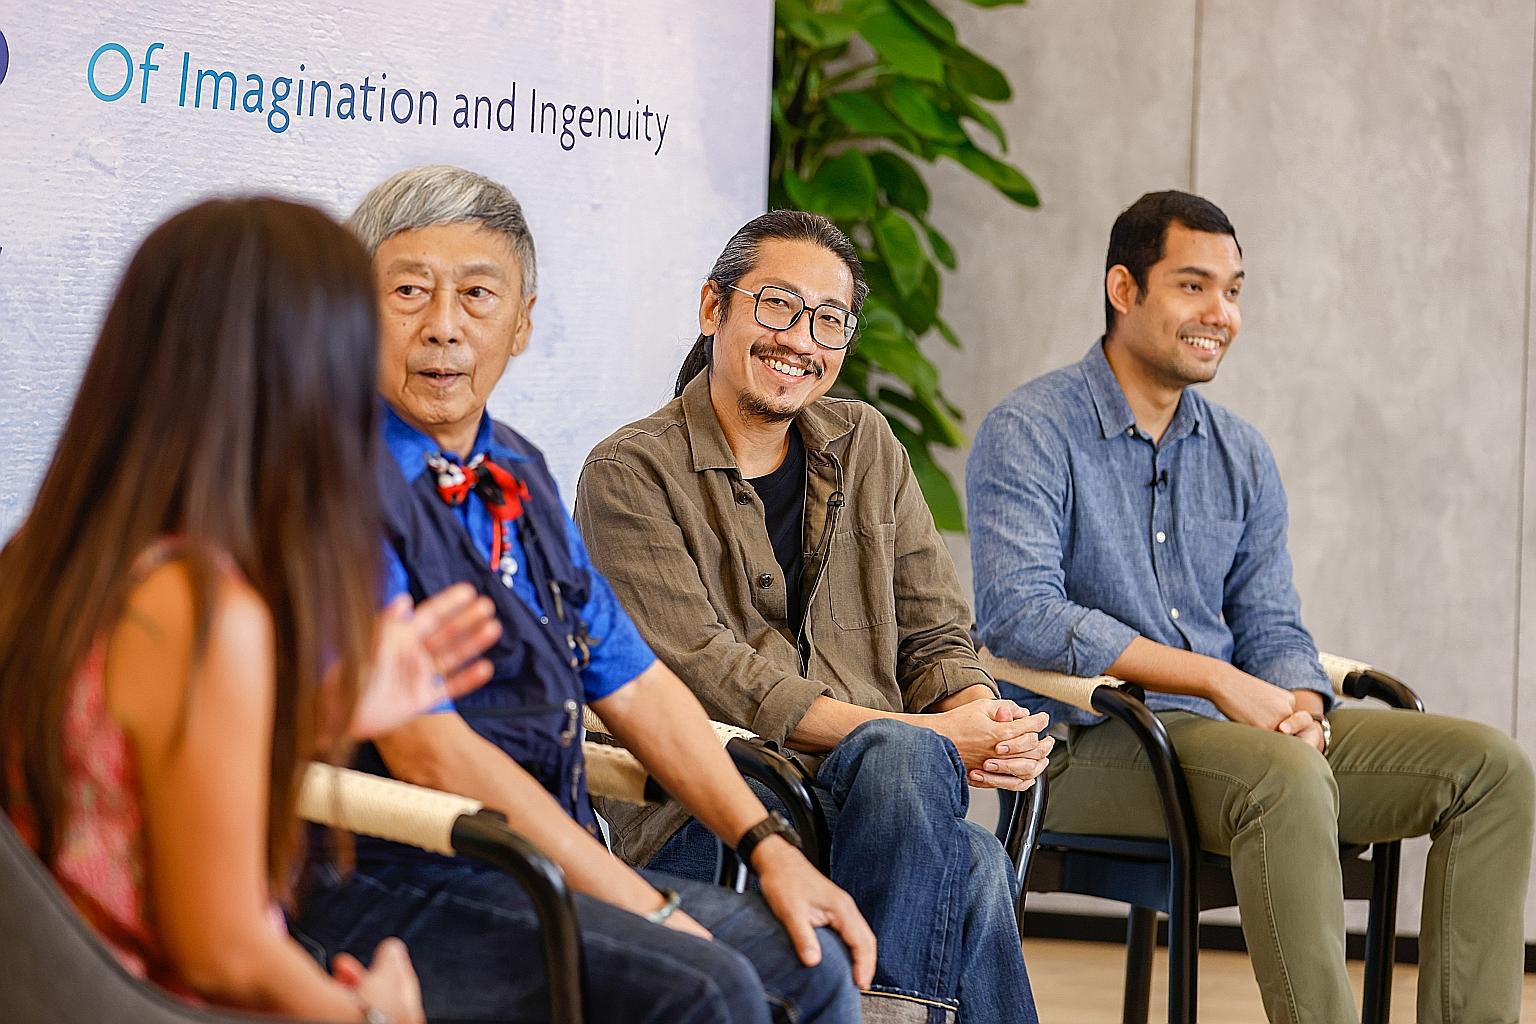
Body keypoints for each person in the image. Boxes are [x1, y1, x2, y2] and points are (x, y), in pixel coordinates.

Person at [292, 165, 874, 1024]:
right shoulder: (328, 478)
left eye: (479, 296)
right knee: (705, 985)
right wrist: (640, 904)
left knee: (810, 962)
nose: (444, 328)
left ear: (522, 323)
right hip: (399, 880)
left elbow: (634, 684)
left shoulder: (516, 472)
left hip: (541, 872)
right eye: (409, 290)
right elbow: (428, 753)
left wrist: (769, 844)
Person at [967, 189, 1536, 1024]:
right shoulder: (1031, 429)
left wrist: (1299, 705)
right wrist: (1213, 681)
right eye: (1194, 286)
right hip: (1090, 747)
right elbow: (1018, 614)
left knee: (1491, 768)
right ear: (1124, 290)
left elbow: (1271, 621)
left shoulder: (1241, 453)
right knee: (1287, 777)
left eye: (1233, 290)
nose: (1220, 314)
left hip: (1237, 746)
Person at [0, 197, 503, 1023]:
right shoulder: (201, 610)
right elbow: (223, 951)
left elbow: (121, 779)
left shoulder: (49, 556)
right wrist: (374, 1016)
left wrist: (324, 712)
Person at [574, 209, 1045, 1023]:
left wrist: (982, 720)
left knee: (921, 793)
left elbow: (936, 632)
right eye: (777, 305)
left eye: (830, 320)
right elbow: (706, 671)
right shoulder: (628, 473)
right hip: (715, 807)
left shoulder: (866, 442)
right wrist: (928, 740)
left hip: (884, 800)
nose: (802, 338)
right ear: (712, 308)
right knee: (969, 861)